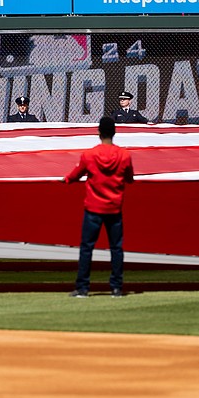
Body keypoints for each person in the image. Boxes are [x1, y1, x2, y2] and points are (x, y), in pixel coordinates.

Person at [65, 117, 134, 298]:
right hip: (114, 208)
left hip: (93, 208)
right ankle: (116, 287)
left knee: (87, 248)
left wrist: (66, 179)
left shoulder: (89, 155)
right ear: (114, 132)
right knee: (116, 248)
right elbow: (129, 178)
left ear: (98, 133)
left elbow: (74, 175)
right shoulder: (124, 155)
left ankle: (82, 288)